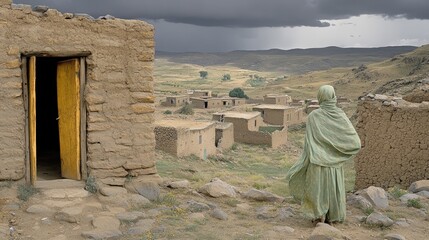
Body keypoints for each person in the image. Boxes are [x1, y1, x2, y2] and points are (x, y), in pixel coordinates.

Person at [286, 85, 361, 224]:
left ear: (320, 97)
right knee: (332, 191)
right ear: (333, 96)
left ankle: (319, 216)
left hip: (317, 163)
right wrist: (337, 154)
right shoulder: (340, 115)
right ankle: (332, 217)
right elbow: (355, 142)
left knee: (318, 191)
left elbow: (309, 143)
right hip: (334, 166)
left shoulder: (314, 116)